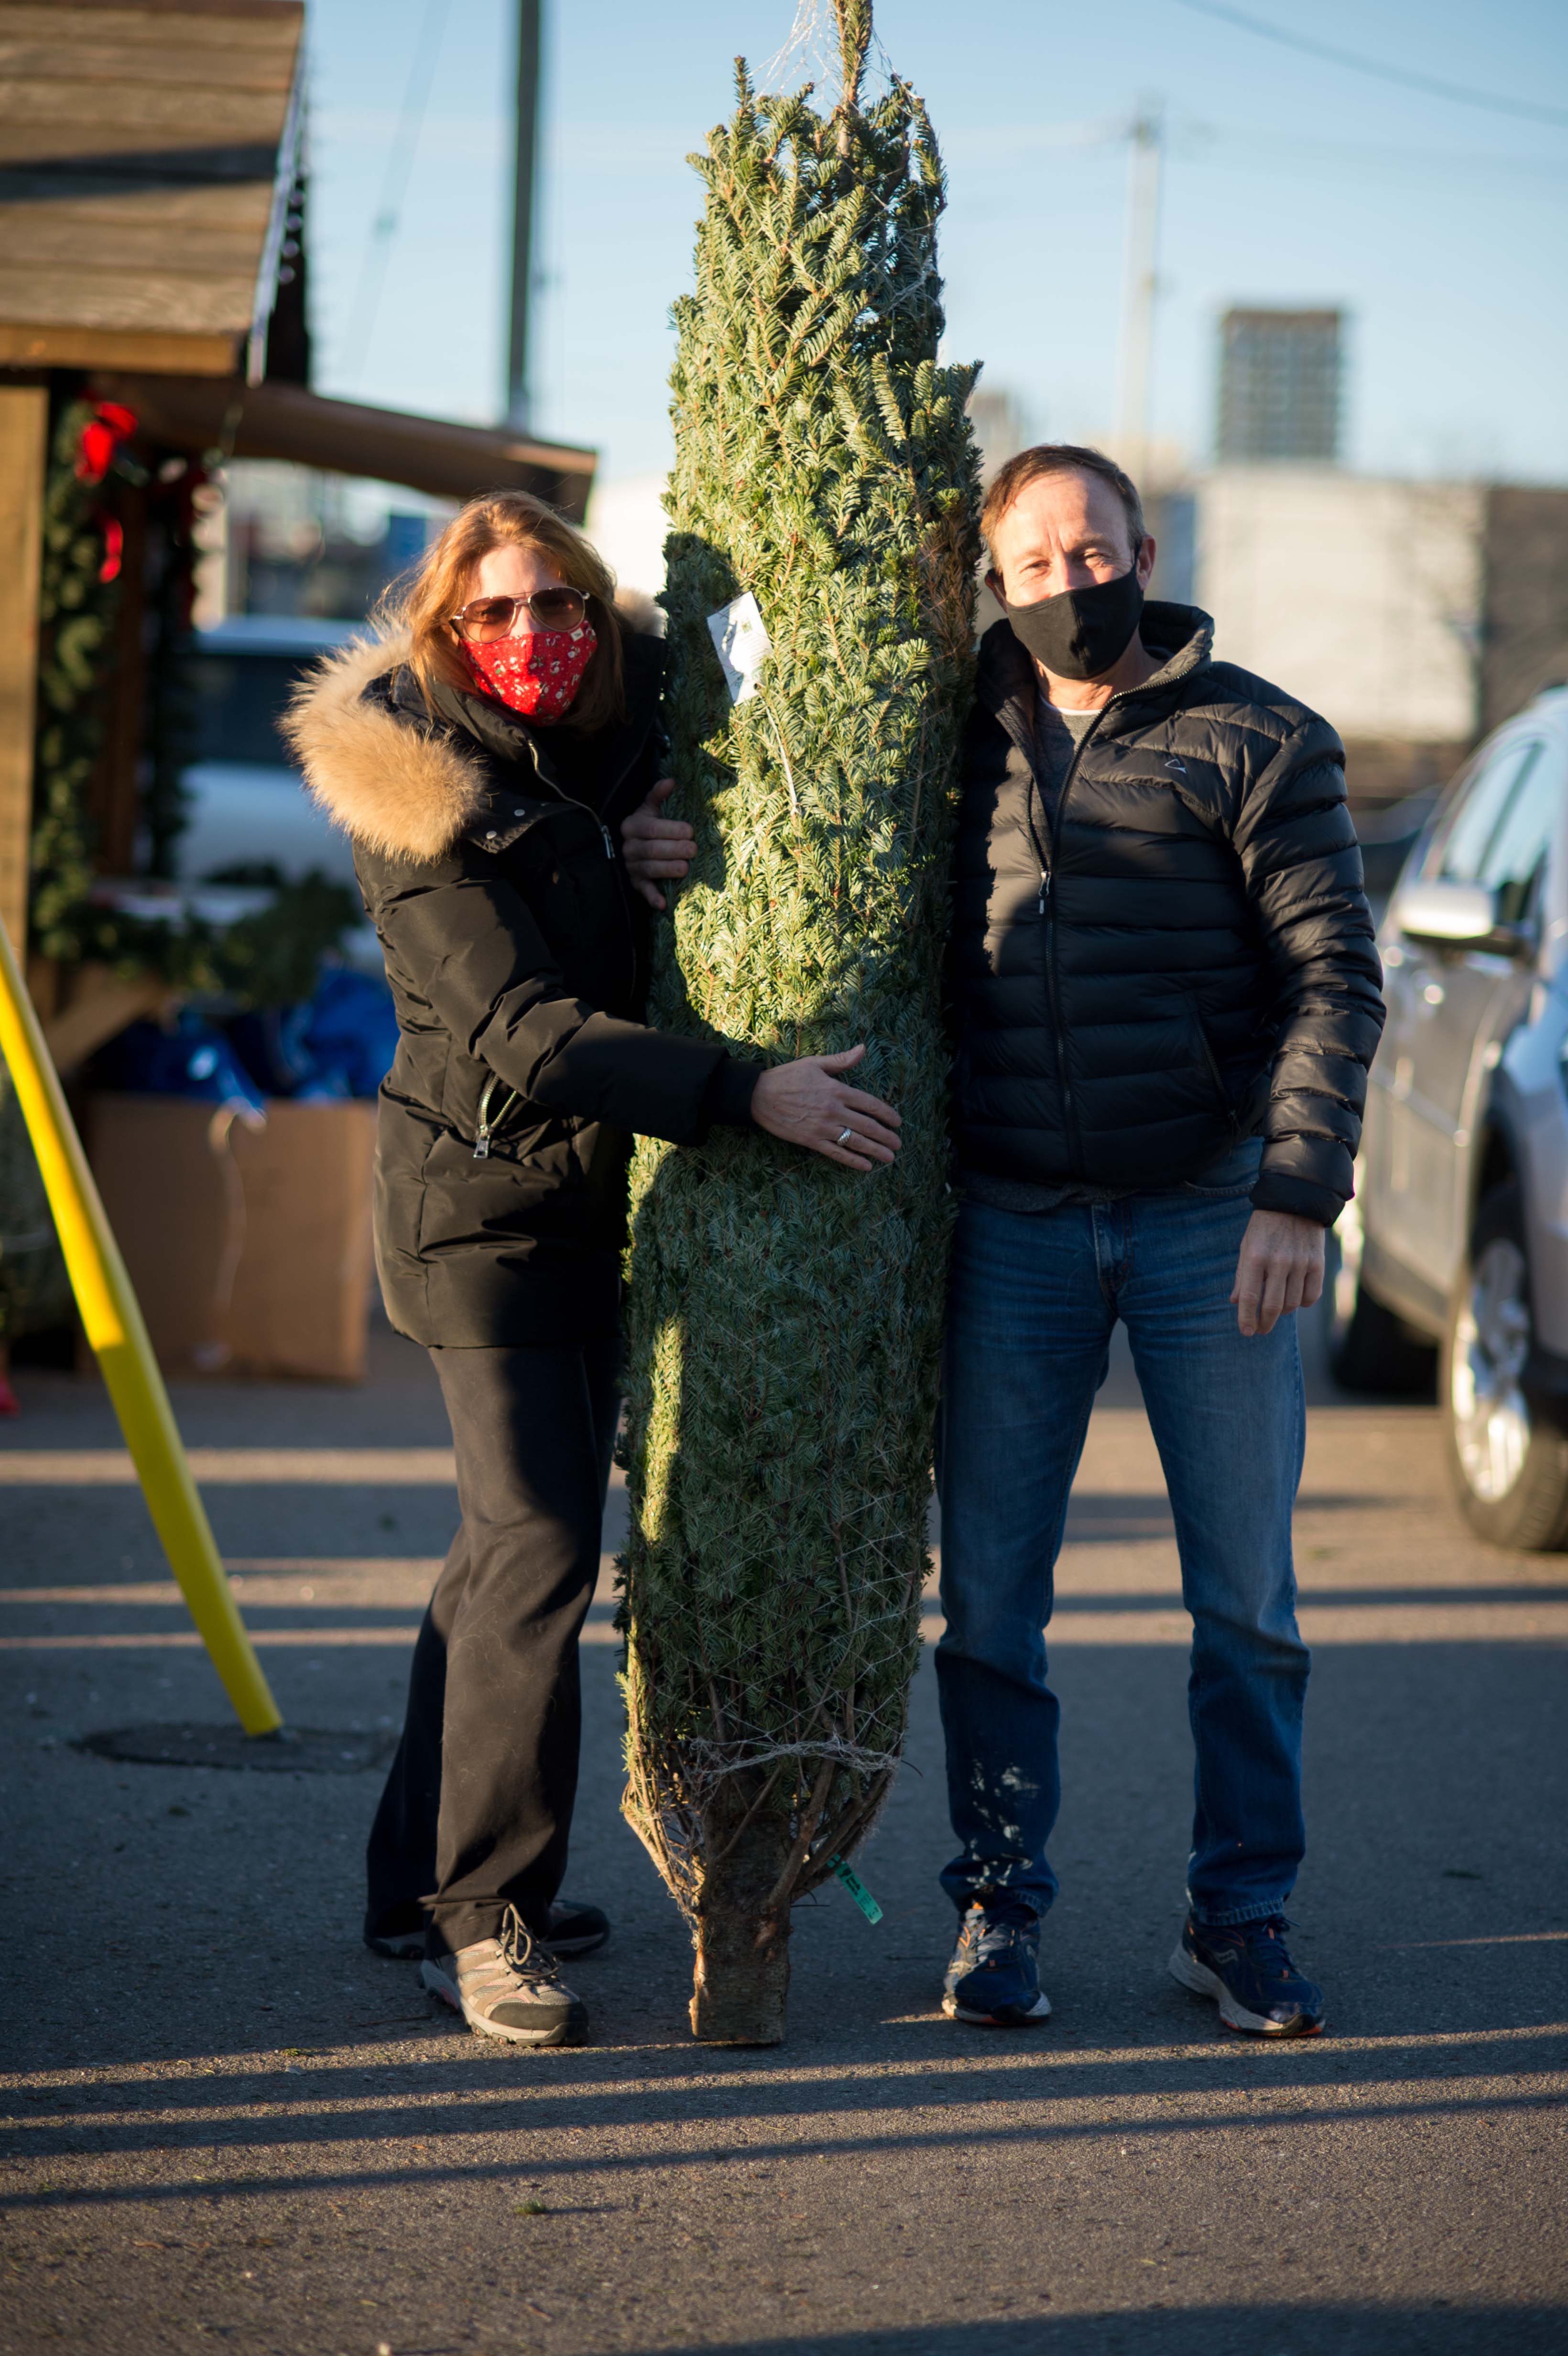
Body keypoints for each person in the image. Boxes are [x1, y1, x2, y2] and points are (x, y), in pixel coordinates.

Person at [625, 443, 1385, 2039]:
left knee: (1247, 1603)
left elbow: (1335, 979)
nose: (1067, 586)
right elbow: (789, 820)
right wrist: (658, 842)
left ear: (1145, 549)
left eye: (1091, 554)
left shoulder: (1258, 736)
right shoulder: (949, 742)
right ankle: (996, 1909)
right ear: (993, 579)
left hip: (1206, 1224)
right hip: (1016, 1233)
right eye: (1032, 566)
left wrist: (1295, 1194)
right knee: (992, 1605)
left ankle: (1239, 1914)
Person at [285, 491, 901, 2048]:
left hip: (584, 1209)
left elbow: (607, 947)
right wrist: (746, 1088)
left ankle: (405, 1883)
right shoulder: (413, 793)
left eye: (557, 607)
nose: (532, 639)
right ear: (443, 630)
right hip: (469, 1217)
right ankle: (483, 1923)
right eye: (494, 614)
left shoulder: (609, 754)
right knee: (543, 1542)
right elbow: (520, 1031)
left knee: (498, 1554)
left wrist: (632, 864)